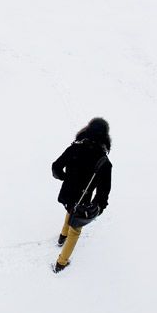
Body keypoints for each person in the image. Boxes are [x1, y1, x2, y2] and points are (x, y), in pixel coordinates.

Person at [51, 117, 113, 273]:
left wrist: (65, 178)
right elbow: (103, 193)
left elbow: (56, 167)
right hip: (83, 200)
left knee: (70, 209)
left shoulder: (75, 148)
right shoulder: (104, 162)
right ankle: (61, 263)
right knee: (76, 230)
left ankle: (62, 237)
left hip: (66, 194)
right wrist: (97, 208)